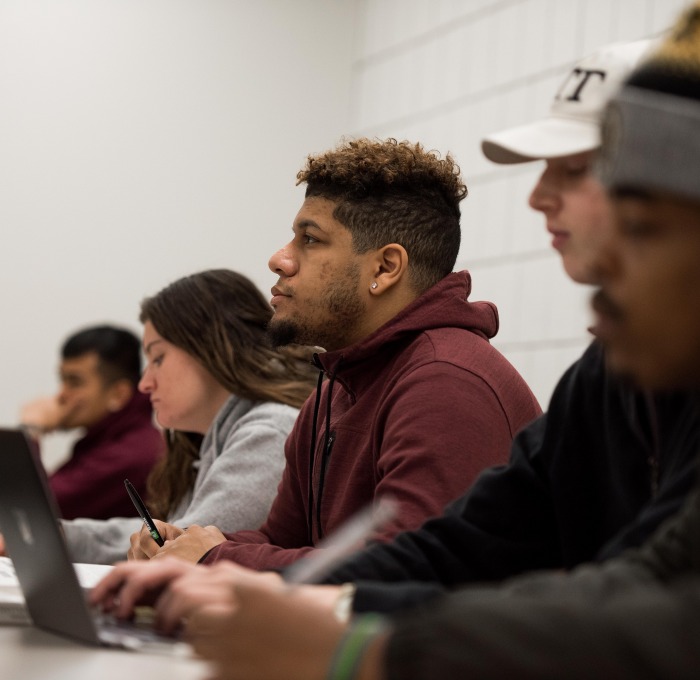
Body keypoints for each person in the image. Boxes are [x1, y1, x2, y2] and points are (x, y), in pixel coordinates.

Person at [91, 4, 700, 677]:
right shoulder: (601, 374)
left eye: (634, 210)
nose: (537, 197)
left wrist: (352, 642)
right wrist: (262, 591)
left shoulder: (448, 379)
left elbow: (654, 613)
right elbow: (466, 547)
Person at [127, 138, 541, 568]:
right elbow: (281, 540)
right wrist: (186, 545)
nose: (279, 260)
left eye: (309, 239)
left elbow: (407, 571)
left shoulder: (445, 382)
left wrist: (216, 556)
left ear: (384, 268)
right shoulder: (336, 384)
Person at [53, 269, 317, 564]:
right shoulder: (209, 439)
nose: (144, 383)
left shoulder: (271, 431)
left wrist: (52, 540)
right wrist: (56, 537)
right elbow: (166, 535)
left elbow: (185, 549)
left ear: (210, 349)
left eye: (158, 358)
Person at [19, 324, 164, 520]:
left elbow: (28, 513)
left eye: (74, 382)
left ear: (118, 394)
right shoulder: (113, 440)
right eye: (62, 380)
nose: (61, 394)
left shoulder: (130, 454)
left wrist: (29, 433)